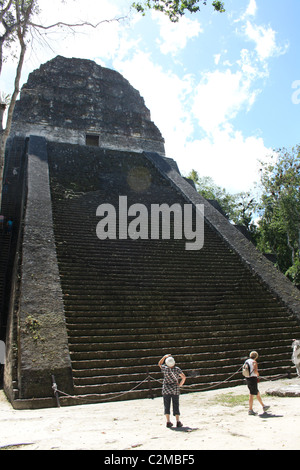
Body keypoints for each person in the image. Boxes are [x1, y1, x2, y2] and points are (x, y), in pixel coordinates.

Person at [158, 353, 186, 428]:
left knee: (166, 405)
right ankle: (177, 421)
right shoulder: (177, 369)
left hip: (166, 388)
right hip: (175, 389)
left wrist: (164, 357)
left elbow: (159, 363)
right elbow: (183, 377)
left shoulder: (165, 368)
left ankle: (168, 421)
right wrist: (180, 384)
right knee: (175, 404)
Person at [245, 351, 270, 415]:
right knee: (252, 394)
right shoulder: (254, 362)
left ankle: (263, 406)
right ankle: (250, 409)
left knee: (257, 392)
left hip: (247, 378)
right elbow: (255, 371)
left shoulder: (247, 361)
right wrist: (258, 374)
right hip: (253, 378)